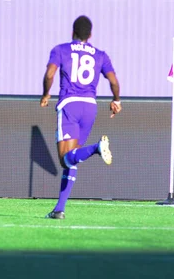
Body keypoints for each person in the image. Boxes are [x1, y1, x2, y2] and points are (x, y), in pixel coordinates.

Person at [40, 15, 122, 219]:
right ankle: (59, 209)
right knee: (73, 158)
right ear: (90, 35)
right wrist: (116, 100)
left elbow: (50, 74)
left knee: (65, 160)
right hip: (90, 107)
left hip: (70, 104)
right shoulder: (100, 54)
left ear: (73, 32)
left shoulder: (61, 49)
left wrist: (45, 94)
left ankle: (96, 148)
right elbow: (113, 79)